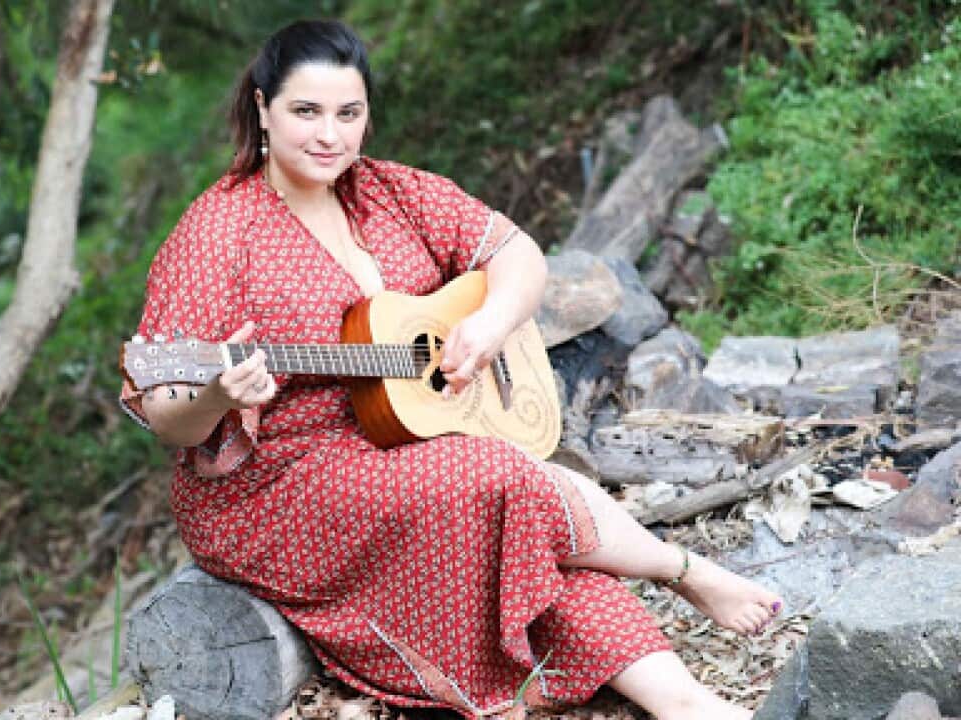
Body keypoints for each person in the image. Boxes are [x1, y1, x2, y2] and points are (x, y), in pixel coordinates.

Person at [120, 19, 782, 720]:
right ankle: (681, 572)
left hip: (407, 439)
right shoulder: (217, 231)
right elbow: (167, 414)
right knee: (497, 479)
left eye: (349, 113)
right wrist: (218, 396)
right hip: (280, 483)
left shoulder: (389, 191)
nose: (329, 136)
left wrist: (489, 327)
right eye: (305, 112)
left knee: (514, 531)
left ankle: (686, 702)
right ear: (261, 108)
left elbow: (516, 253)